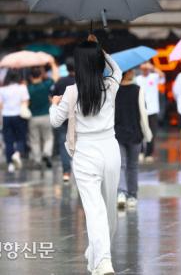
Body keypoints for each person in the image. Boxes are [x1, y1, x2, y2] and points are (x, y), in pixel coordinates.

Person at [49, 35, 122, 275]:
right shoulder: (110, 85)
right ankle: (101, 257)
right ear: (99, 63)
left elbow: (55, 120)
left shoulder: (71, 91)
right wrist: (101, 50)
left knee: (95, 209)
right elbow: (117, 69)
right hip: (110, 149)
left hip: (85, 153)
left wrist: (55, 102)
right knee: (109, 208)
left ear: (78, 65)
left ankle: (101, 258)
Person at [115, 67, 152, 209]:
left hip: (117, 133)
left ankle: (121, 193)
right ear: (127, 73)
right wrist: (147, 133)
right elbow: (143, 113)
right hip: (135, 132)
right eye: (131, 71)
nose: (134, 73)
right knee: (133, 166)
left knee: (121, 165)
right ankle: (132, 195)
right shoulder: (138, 89)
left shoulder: (114, 90)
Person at [28, 59, 59, 168]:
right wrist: (52, 64)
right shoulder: (46, 85)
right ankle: (47, 153)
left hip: (33, 117)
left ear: (31, 77)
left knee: (35, 140)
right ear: (41, 75)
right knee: (48, 137)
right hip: (46, 115)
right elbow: (55, 77)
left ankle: (37, 160)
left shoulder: (28, 88)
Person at [135, 61, 165, 163]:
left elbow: (162, 75)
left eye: (147, 68)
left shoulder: (154, 77)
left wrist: (152, 67)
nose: (145, 70)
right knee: (140, 131)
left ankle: (149, 153)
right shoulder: (137, 79)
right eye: (143, 68)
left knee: (152, 133)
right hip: (140, 109)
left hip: (152, 109)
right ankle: (141, 152)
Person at [0, 70, 30, 172]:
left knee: (8, 141)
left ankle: (10, 164)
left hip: (6, 116)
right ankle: (17, 153)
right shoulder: (22, 88)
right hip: (19, 115)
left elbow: (1, 105)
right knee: (21, 138)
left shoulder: (2, 89)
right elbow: (26, 102)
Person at [51, 58, 75, 182]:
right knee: (78, 145)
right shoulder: (81, 82)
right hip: (77, 119)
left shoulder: (60, 81)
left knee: (63, 145)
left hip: (62, 118)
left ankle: (66, 172)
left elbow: (53, 96)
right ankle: (78, 171)